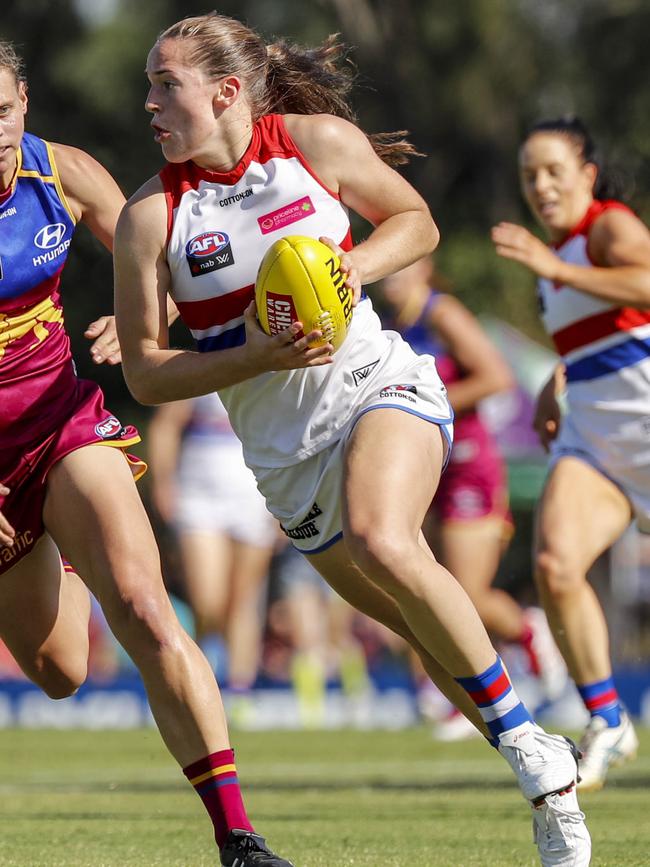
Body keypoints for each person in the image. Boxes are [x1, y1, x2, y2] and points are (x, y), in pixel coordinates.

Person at [114, 14, 590, 865]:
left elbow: (415, 220)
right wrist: (255, 353)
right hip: (287, 461)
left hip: (379, 384)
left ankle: (538, 766)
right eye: (149, 84)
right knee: (414, 614)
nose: (148, 102)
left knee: (385, 535)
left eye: (165, 84)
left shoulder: (314, 144)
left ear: (225, 93)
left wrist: (351, 269)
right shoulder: (152, 217)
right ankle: (532, 745)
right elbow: (147, 374)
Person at [0, 40, 293, 867]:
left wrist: (141, 319)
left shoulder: (58, 171)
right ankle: (49, 551)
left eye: (2, 110)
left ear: (24, 106)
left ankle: (239, 838)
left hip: (60, 427)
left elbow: (156, 254)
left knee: (142, 600)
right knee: (59, 674)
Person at [492, 115, 650, 791]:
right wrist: (553, 388)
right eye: (530, 174)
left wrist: (553, 263)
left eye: (554, 170)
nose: (541, 185)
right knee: (556, 564)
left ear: (587, 173)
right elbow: (587, 344)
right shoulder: (548, 267)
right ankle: (607, 718)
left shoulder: (607, 228)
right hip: (593, 439)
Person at [379, 258, 569, 738]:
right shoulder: (388, 326)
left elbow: (496, 378)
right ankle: (458, 693)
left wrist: (417, 398)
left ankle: (527, 630)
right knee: (423, 583)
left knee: (465, 592)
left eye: (400, 268)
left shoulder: (443, 314)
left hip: (470, 467)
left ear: (425, 268)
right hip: (429, 467)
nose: (391, 277)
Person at [147, 392, 277, 719]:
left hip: (257, 493)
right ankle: (204, 676)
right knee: (209, 602)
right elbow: (166, 424)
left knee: (243, 600)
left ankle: (238, 691)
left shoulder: (274, 361)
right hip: (199, 494)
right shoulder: (202, 356)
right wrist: (163, 481)